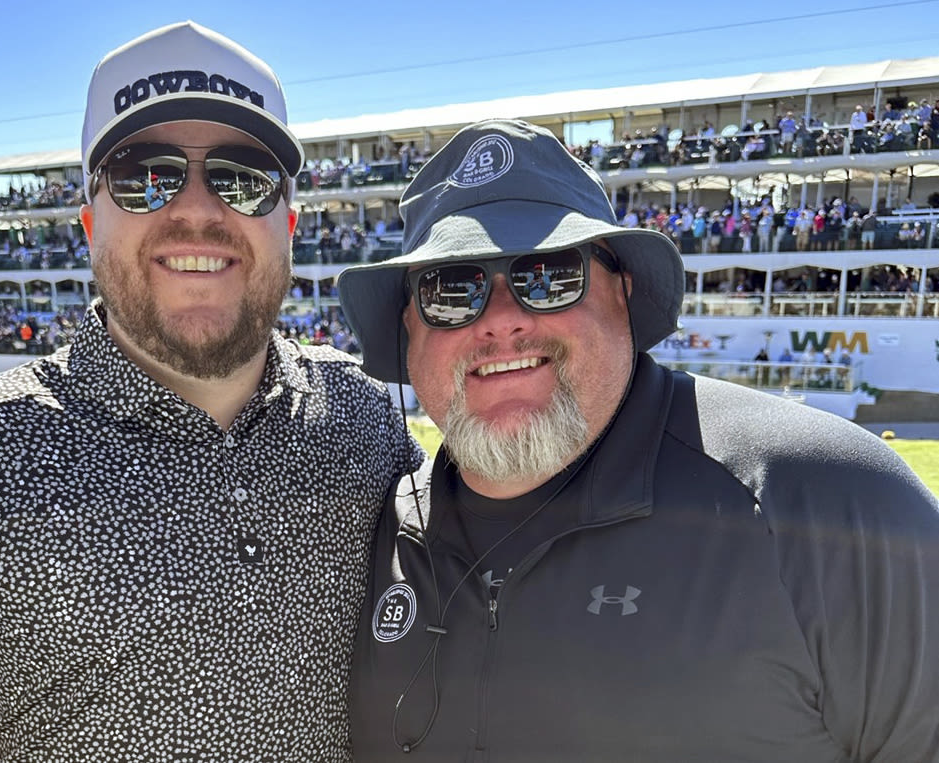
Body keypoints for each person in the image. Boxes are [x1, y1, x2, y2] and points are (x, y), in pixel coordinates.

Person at [0, 21, 418, 762]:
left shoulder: (363, 414)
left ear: (288, 221)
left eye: (243, 177)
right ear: (89, 222)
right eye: (143, 174)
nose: (196, 208)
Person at [336, 118, 939, 761]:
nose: (502, 321)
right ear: (409, 328)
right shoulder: (381, 529)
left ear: (621, 291)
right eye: (452, 290)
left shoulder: (830, 503)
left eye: (549, 275)